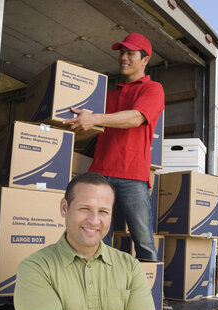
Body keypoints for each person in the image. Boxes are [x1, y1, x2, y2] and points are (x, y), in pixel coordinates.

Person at [13, 172, 161, 310]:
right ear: (65, 208)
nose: (94, 220)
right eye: (85, 209)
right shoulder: (35, 267)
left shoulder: (129, 267)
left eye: (103, 212)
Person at [63, 32, 164, 261]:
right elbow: (92, 122)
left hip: (133, 176)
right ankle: (103, 294)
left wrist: (96, 118)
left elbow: (136, 118)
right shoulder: (108, 95)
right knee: (98, 239)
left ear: (145, 60)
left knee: (143, 241)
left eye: (130, 53)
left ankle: (153, 296)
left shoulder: (152, 89)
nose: (123, 58)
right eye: (121, 53)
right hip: (100, 175)